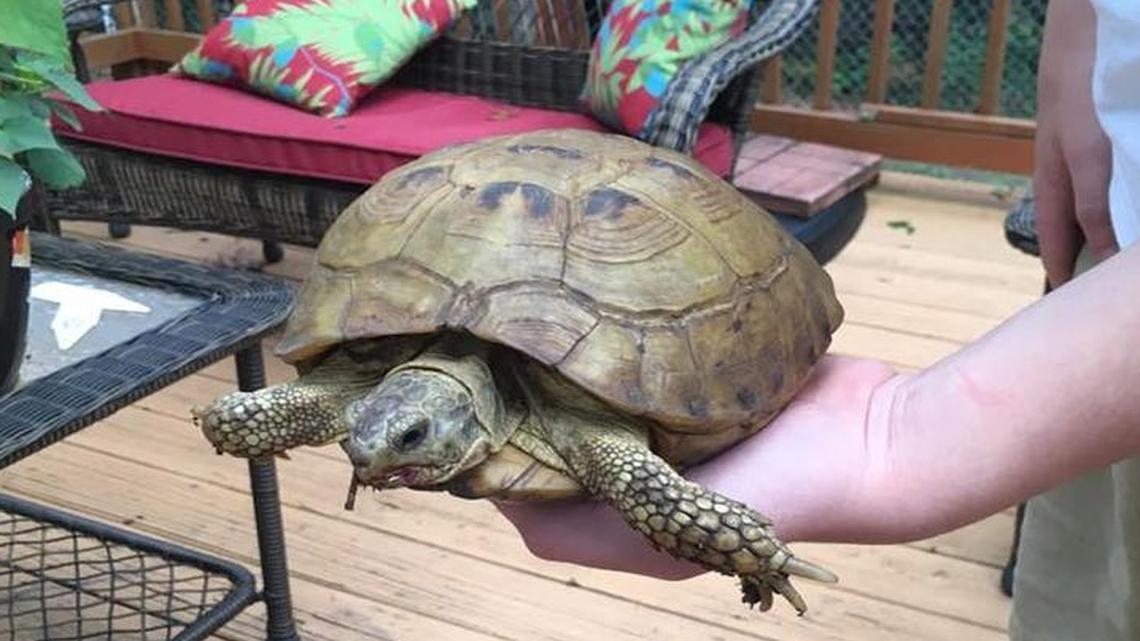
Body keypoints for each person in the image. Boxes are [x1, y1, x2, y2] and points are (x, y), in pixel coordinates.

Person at [493, 1, 1140, 639]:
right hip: (1112, 199)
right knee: (1071, 595)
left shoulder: (592, 432)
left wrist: (742, 536)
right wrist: (1075, 37)